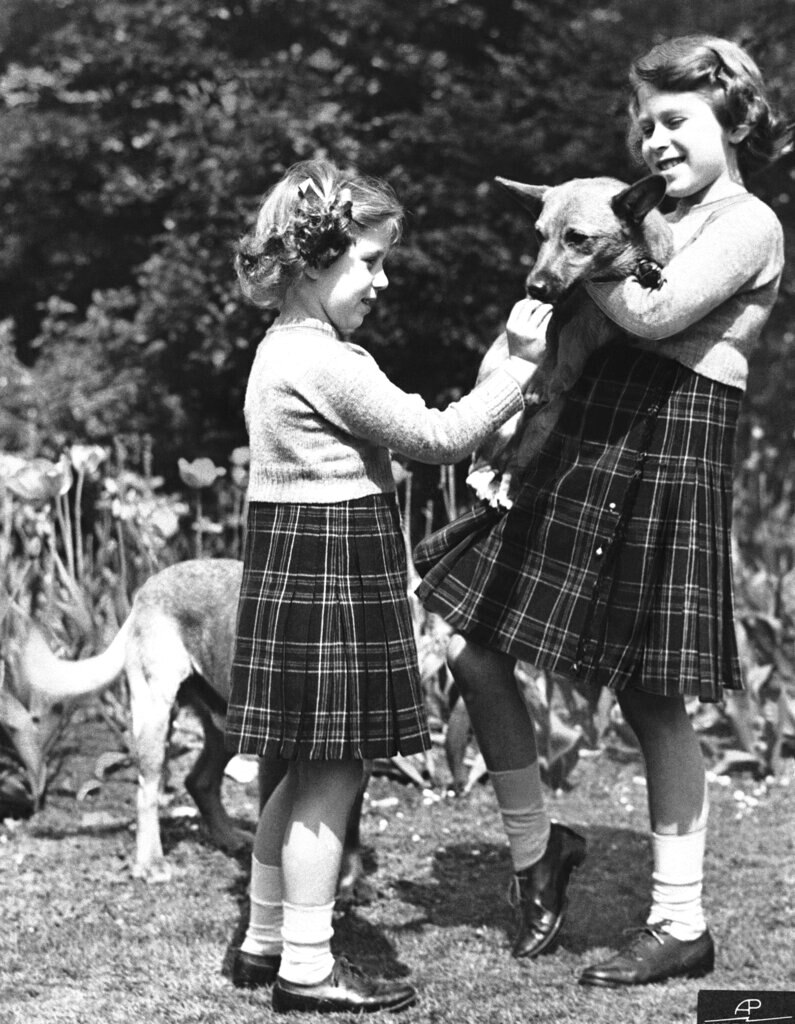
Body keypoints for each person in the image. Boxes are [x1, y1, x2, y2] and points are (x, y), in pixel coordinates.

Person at [414, 34, 789, 987]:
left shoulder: (748, 223)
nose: (655, 140)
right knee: (472, 639)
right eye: (646, 122)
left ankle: (678, 921)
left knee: (649, 688)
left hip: (669, 441)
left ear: (733, 121)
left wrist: (575, 255)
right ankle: (540, 849)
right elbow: (568, 305)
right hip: (590, 432)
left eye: (678, 121)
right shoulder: (625, 213)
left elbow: (656, 317)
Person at [224, 157, 542, 1015]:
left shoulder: (279, 351)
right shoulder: (325, 361)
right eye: (369, 260)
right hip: (331, 564)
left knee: (298, 769)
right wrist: (519, 367)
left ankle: (261, 939)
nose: (382, 278)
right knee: (334, 772)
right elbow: (436, 437)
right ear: (314, 259)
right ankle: (305, 966)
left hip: (302, 559)